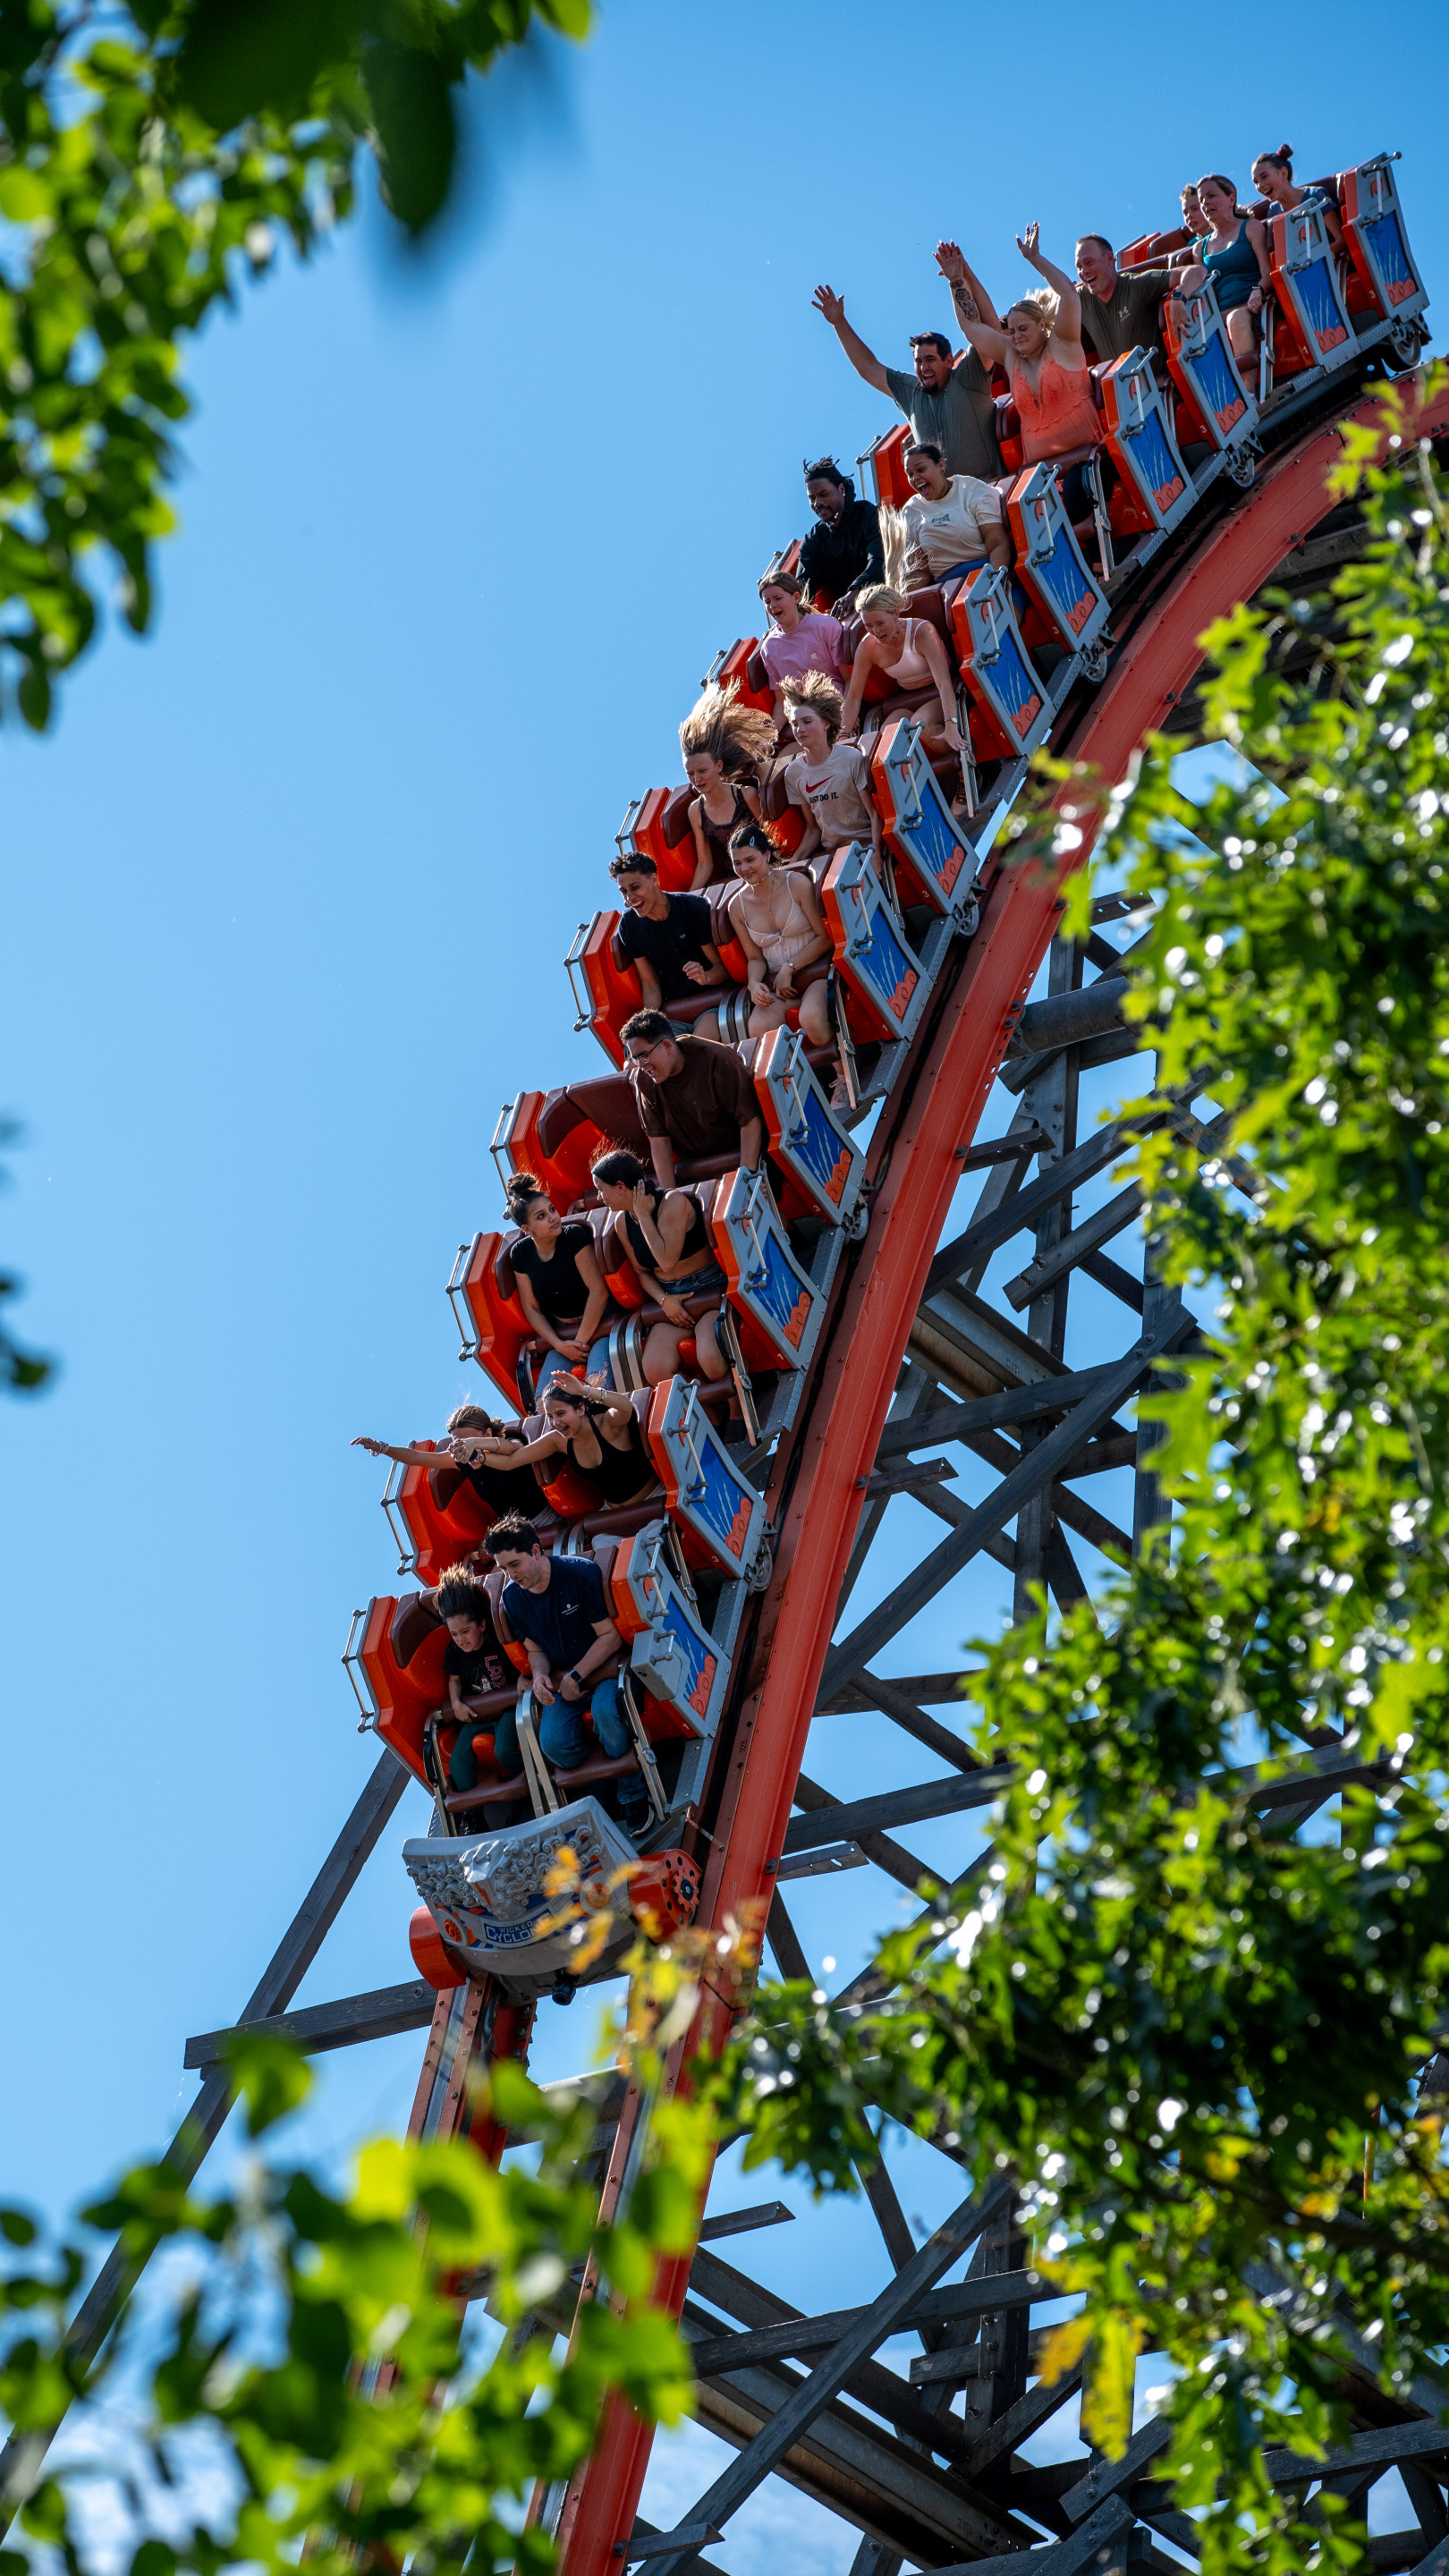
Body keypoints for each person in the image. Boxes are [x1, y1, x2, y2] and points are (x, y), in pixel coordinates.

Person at [487, 1513, 649, 1835]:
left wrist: (576, 1676)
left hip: (604, 1670)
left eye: (514, 1564)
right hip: (563, 1680)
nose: (511, 1575)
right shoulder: (512, 1598)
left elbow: (610, 1637)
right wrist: (540, 1677)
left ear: (536, 1551)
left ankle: (633, 1793)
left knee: (605, 1712)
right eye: (504, 1568)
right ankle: (603, 1782)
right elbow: (535, 1650)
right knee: (553, 1743)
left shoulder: (579, 1574)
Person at [937, 227, 1103, 520]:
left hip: (1088, 461)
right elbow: (972, 329)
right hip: (1039, 474)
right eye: (1011, 331)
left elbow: (1067, 292)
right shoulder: (1011, 356)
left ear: (1041, 324)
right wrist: (956, 281)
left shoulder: (1063, 342)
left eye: (1023, 329)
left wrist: (1034, 258)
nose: (1015, 337)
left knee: (1076, 494)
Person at [811, 271, 1003, 483]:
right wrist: (839, 323)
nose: (923, 367)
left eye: (930, 359)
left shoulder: (969, 376)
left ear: (948, 360)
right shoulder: (910, 392)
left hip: (986, 489)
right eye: (918, 362)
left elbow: (988, 332)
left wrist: (957, 280)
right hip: (942, 508)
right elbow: (868, 367)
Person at [590, 1145, 728, 1385]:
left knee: (711, 1360)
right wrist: (665, 1301)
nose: (599, 1198)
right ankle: (708, 1414)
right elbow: (643, 1271)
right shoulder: (622, 1222)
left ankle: (734, 1406)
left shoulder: (672, 1202)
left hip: (707, 1288)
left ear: (621, 1187)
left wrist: (643, 1216)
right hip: (670, 1295)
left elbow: (666, 1261)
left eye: (601, 1190)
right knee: (654, 1370)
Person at [724, 821, 835, 1055]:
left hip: (815, 971)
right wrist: (754, 984)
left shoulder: (795, 883)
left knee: (811, 1017)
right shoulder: (736, 907)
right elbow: (755, 958)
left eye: (749, 860)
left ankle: (842, 1074)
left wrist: (790, 967)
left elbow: (825, 938)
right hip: (780, 984)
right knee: (758, 1027)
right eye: (737, 863)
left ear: (766, 855)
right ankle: (790, 1086)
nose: (743, 869)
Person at [621, 1009, 766, 1191]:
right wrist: (669, 1195)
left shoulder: (714, 1058)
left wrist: (749, 1177)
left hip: (749, 1155)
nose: (641, 1066)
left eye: (644, 1056)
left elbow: (750, 1120)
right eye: (635, 1058)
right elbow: (660, 1141)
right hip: (696, 1171)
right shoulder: (644, 1081)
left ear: (667, 1045)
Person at [504, 1172, 614, 1398]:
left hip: (601, 1323)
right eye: (541, 1216)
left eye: (552, 1210)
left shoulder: (573, 1236)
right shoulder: (521, 1254)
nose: (553, 1217)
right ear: (527, 1230)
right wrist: (559, 1344)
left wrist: (579, 1343)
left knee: (596, 1386)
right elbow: (531, 1309)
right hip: (563, 1334)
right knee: (544, 1399)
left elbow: (599, 1292)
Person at [837, 582, 966, 767]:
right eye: (868, 625)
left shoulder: (922, 631)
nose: (876, 632)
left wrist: (951, 725)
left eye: (880, 623)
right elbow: (854, 697)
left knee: (923, 726)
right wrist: (843, 737)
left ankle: (963, 765)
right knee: (888, 740)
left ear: (896, 613)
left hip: (939, 692)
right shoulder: (867, 647)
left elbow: (944, 683)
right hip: (905, 698)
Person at [487, 1372, 660, 1509]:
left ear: (580, 1409)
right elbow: (511, 1461)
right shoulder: (558, 1440)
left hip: (652, 1503)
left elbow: (625, 1406)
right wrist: (477, 1454)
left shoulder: (607, 1424)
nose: (555, 1423)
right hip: (613, 1519)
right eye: (550, 1416)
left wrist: (585, 1391)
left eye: (561, 1414)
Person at [352, 1402, 540, 1520]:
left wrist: (475, 1446)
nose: (462, 1447)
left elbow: (512, 1449)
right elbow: (416, 1457)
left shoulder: (510, 1443)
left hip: (544, 1517)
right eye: (457, 1441)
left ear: (487, 1434)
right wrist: (382, 1448)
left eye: (466, 1441)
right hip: (515, 1530)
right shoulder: (461, 1461)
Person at [609, 852, 725, 1038]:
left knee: (695, 1048)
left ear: (654, 880)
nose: (629, 898)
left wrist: (706, 977)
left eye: (635, 887)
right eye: (624, 891)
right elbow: (651, 983)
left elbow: (721, 969)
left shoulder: (691, 908)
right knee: (641, 1053)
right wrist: (648, 1022)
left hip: (712, 1003)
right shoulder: (629, 926)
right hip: (673, 1012)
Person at [779, 672, 882, 877]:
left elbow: (874, 815)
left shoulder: (850, 758)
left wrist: (876, 856)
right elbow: (813, 829)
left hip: (863, 844)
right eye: (795, 724)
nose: (800, 729)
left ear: (826, 723)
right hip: (831, 855)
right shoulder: (793, 772)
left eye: (807, 721)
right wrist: (792, 865)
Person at [433, 1564, 518, 1809]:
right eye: (454, 1634)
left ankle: (524, 1785)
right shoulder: (454, 1651)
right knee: (458, 1760)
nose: (461, 1640)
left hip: (507, 1709)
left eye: (465, 1631)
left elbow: (520, 1665)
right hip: (478, 1714)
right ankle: (474, 1813)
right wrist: (457, 1703)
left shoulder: (496, 1640)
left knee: (504, 1749)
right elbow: (455, 1680)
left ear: (481, 1625)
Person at [678, 682, 774, 889]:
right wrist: (689, 898)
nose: (697, 779)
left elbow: (771, 839)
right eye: (690, 774)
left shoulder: (746, 795)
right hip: (735, 881)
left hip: (764, 870)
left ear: (718, 766)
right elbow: (705, 863)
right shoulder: (696, 811)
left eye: (702, 771)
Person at [1179, 176, 1272, 367]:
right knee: (1195, 335)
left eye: (1212, 196)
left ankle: (1249, 394)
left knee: (1235, 319)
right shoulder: (1199, 249)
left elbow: (1267, 273)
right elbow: (1208, 295)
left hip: (1253, 305)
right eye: (1203, 200)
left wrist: (1259, 290)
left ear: (1231, 199)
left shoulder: (1251, 228)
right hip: (1221, 312)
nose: (1206, 203)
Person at [897, 440, 1010, 589]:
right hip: (946, 590)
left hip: (986, 575)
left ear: (941, 466)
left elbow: (998, 544)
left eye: (921, 470)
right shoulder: (910, 511)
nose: (915, 478)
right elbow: (921, 571)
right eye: (910, 474)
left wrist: (993, 585)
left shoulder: (972, 490)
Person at [757, 572, 844, 726]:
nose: (773, 606)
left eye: (778, 598)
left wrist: (846, 713)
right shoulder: (769, 647)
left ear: (795, 597)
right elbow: (782, 701)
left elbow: (848, 679)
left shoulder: (825, 625)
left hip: (834, 708)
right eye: (767, 601)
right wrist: (769, 739)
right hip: (802, 722)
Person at [1072, 233, 1174, 365]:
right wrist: (1036, 258)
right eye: (1079, 267)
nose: (1083, 271)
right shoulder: (1081, 299)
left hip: (1157, 383)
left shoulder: (1136, 285)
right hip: (1118, 384)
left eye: (1089, 263)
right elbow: (1060, 291)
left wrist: (1178, 298)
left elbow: (1194, 273)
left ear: (1109, 259)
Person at [797, 458, 884, 610]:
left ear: (842, 490)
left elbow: (879, 559)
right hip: (846, 617)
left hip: (884, 598)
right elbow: (802, 590)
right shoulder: (813, 541)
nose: (817, 503)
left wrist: (856, 591)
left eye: (824, 494)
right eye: (812, 498)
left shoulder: (868, 514)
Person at [1250, 143, 1344, 252]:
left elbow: (1341, 240)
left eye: (1264, 177)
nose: (1260, 186)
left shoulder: (1315, 196)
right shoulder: (1274, 211)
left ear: (1283, 173)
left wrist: (1321, 257)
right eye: (1256, 182)